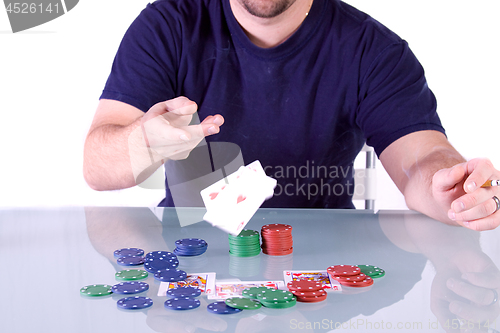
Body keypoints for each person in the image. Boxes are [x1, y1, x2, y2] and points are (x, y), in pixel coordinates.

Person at [83, 0, 500, 231]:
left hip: (323, 265)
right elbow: (97, 169)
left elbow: (420, 161)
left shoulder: (374, 50)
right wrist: (144, 141)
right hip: (191, 251)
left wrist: (450, 186)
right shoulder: (167, 26)